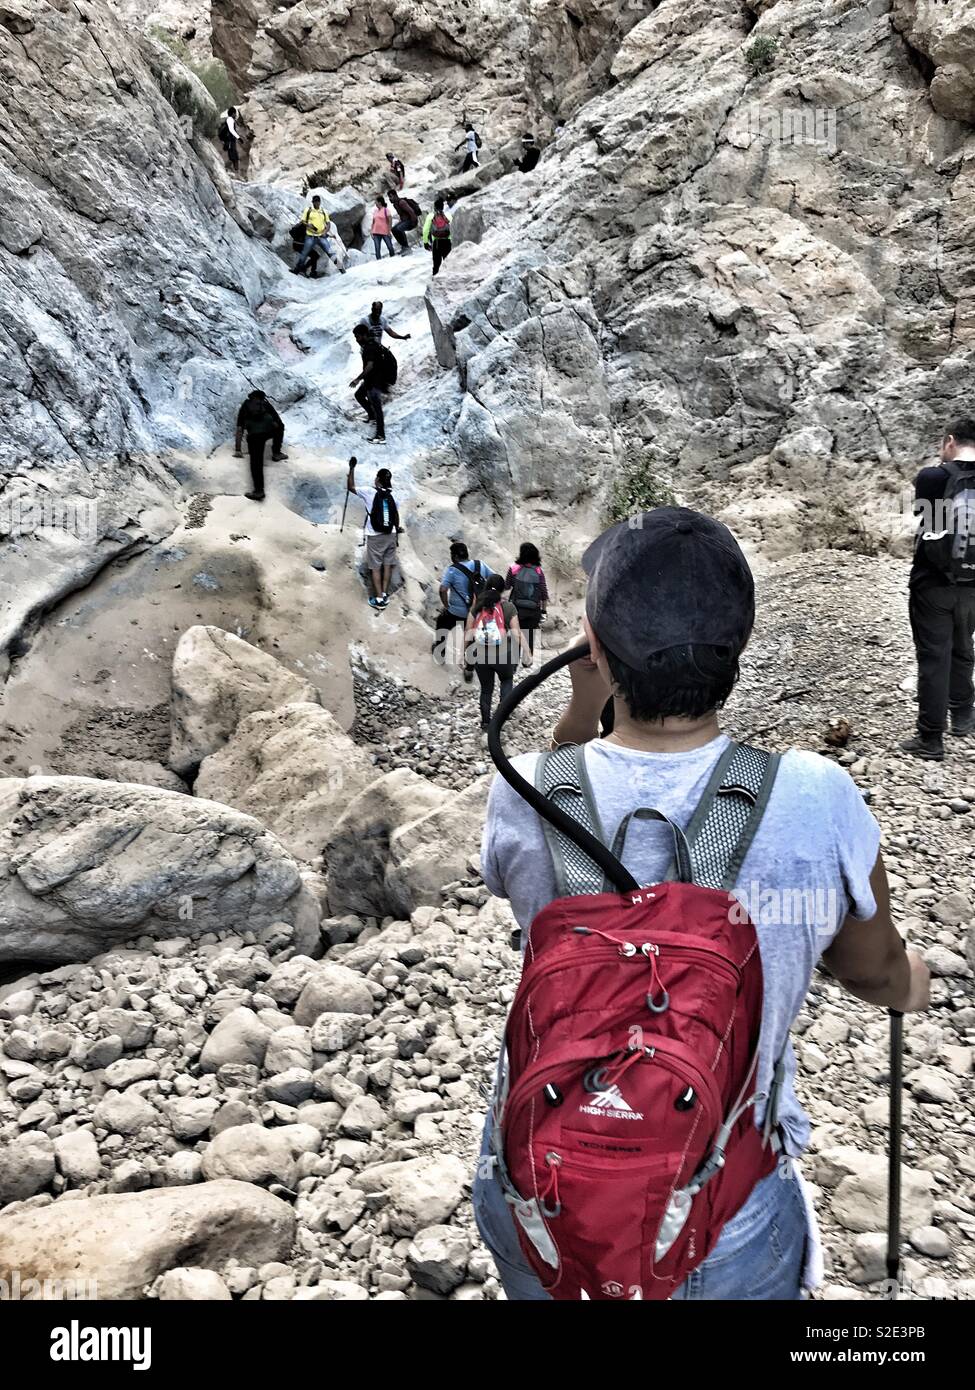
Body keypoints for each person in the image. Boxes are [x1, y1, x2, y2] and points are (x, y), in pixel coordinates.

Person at [474, 505, 930, 1300]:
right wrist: (909, 983)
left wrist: (584, 704)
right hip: (715, 1207)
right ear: (738, 646)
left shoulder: (525, 793)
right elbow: (871, 970)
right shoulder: (814, 796)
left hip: (539, 1191)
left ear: (594, 646)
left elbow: (559, 813)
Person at [902, 418, 975, 759]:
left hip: (933, 583)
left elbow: (930, 524)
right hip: (973, 586)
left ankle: (930, 738)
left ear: (950, 441)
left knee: (934, 656)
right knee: (963, 644)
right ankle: (963, 716)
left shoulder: (933, 477)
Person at [465, 573, 532, 736]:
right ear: (503, 590)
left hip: (481, 655)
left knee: (486, 689)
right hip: (503, 654)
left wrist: (463, 655)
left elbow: (468, 632)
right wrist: (527, 652)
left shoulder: (477, 606)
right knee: (507, 680)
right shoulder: (508, 607)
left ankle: (486, 723)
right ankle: (501, 719)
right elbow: (516, 633)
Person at [436, 541, 494, 681]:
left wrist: (446, 605)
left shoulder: (452, 570)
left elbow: (443, 589)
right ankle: (469, 670)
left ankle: (440, 653)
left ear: (454, 556)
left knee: (442, 624)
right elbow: (495, 579)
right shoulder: (480, 565)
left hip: (456, 612)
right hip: (475, 613)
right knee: (472, 640)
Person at [347, 461, 400, 608]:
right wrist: (397, 534)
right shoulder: (394, 495)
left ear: (377, 479)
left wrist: (351, 469)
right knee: (388, 565)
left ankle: (378, 599)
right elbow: (395, 516)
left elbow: (350, 487)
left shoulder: (370, 492)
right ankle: (384, 594)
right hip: (391, 534)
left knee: (375, 567)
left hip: (375, 535)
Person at [233, 390, 288, 501]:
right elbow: (279, 423)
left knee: (256, 463)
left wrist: (238, 449)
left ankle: (259, 491)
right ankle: (276, 453)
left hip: (254, 437)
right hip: (267, 433)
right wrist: (275, 442)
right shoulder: (265, 404)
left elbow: (240, 428)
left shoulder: (246, 406)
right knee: (280, 427)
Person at [350, 324, 394, 443]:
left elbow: (370, 366)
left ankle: (381, 436)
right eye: (355, 337)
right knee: (359, 395)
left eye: (358, 336)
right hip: (373, 379)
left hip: (376, 380)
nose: (356, 339)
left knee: (377, 406)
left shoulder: (370, 348)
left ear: (364, 335)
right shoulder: (371, 345)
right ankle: (371, 416)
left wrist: (357, 379)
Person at [504, 541, 549, 654]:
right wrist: (543, 611)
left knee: (515, 636)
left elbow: (507, 586)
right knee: (529, 636)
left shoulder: (513, 568)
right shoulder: (538, 571)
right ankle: (527, 660)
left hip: (516, 609)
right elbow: (543, 593)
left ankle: (513, 665)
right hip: (533, 610)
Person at [293, 196, 346, 276]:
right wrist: (309, 225)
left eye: (318, 202)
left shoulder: (323, 211)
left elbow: (328, 224)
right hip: (310, 236)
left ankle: (342, 270)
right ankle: (296, 270)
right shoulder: (308, 210)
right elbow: (303, 221)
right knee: (304, 253)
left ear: (320, 202)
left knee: (331, 253)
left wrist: (325, 231)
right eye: (315, 202)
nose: (316, 203)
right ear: (313, 202)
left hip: (321, 236)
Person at [422, 197, 452, 276]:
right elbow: (453, 228)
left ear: (434, 207)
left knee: (436, 265)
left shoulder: (430, 216)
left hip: (437, 243)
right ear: (443, 207)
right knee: (449, 264)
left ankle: (435, 282)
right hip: (448, 242)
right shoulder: (448, 215)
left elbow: (425, 230)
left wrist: (425, 242)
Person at [388, 189, 422, 254]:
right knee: (394, 229)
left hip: (412, 221)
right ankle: (404, 247)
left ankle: (406, 248)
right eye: (389, 197)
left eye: (391, 196)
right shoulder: (395, 204)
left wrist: (413, 222)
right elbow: (402, 215)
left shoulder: (402, 202)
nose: (390, 199)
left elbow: (411, 212)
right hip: (405, 221)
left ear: (395, 195)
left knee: (399, 229)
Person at [218, 106, 241, 172]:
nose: (236, 115)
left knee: (233, 156)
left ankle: (233, 170)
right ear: (233, 113)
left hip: (229, 141)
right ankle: (234, 171)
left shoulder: (228, 120)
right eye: (235, 113)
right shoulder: (230, 121)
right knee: (234, 156)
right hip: (230, 141)